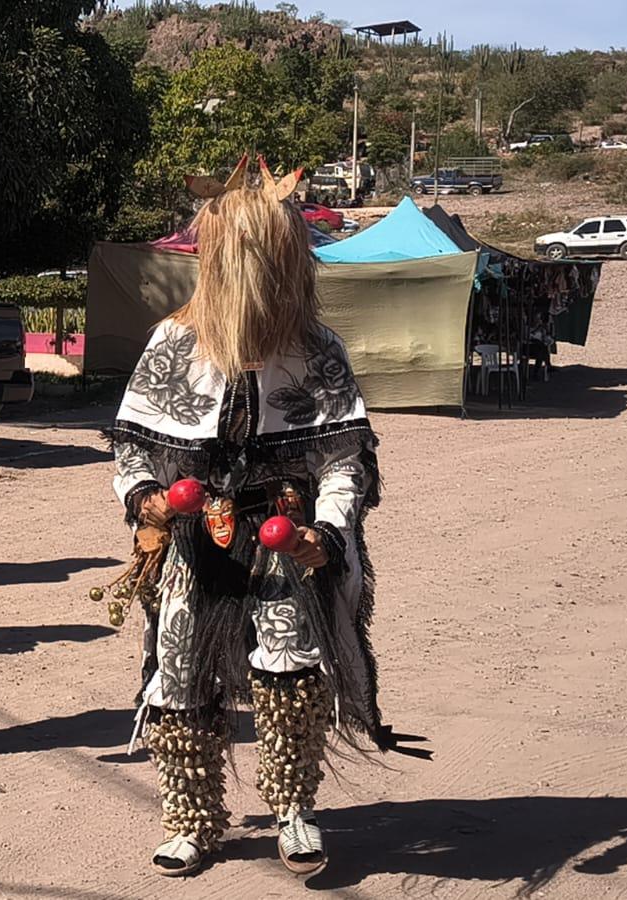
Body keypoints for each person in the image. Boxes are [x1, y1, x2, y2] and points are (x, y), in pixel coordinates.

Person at [107, 157, 428, 878]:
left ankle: (293, 809)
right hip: (196, 541)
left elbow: (346, 460)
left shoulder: (318, 352)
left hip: (286, 540)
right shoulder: (172, 345)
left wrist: (329, 533)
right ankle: (191, 818)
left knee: (291, 676)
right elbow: (131, 449)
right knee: (181, 674)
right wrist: (148, 500)